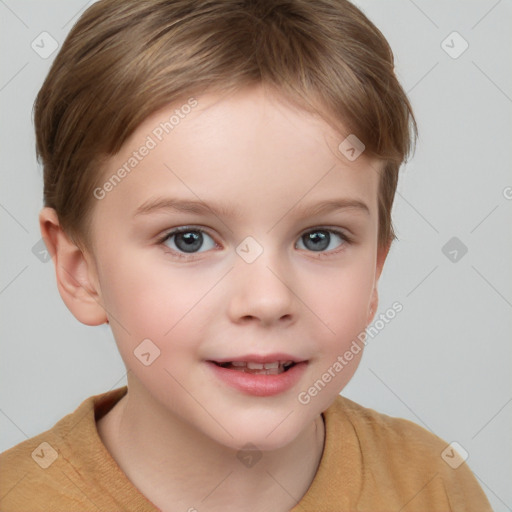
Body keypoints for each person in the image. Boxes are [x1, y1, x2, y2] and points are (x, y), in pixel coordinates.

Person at [0, 0, 492, 510]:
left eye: (319, 238)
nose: (267, 299)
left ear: (375, 271)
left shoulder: (432, 486)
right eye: (188, 239)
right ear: (79, 270)